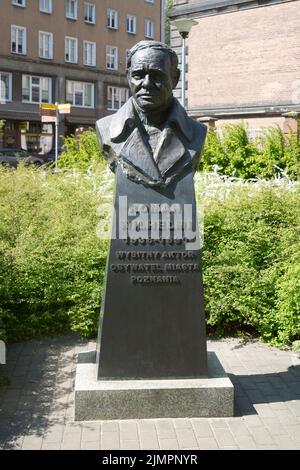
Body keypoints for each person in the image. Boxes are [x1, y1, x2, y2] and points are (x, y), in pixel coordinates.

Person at [96, 40, 207, 188]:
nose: (146, 83)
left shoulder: (196, 132)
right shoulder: (106, 128)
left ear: (175, 79)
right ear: (128, 77)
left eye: (157, 75)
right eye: (138, 75)